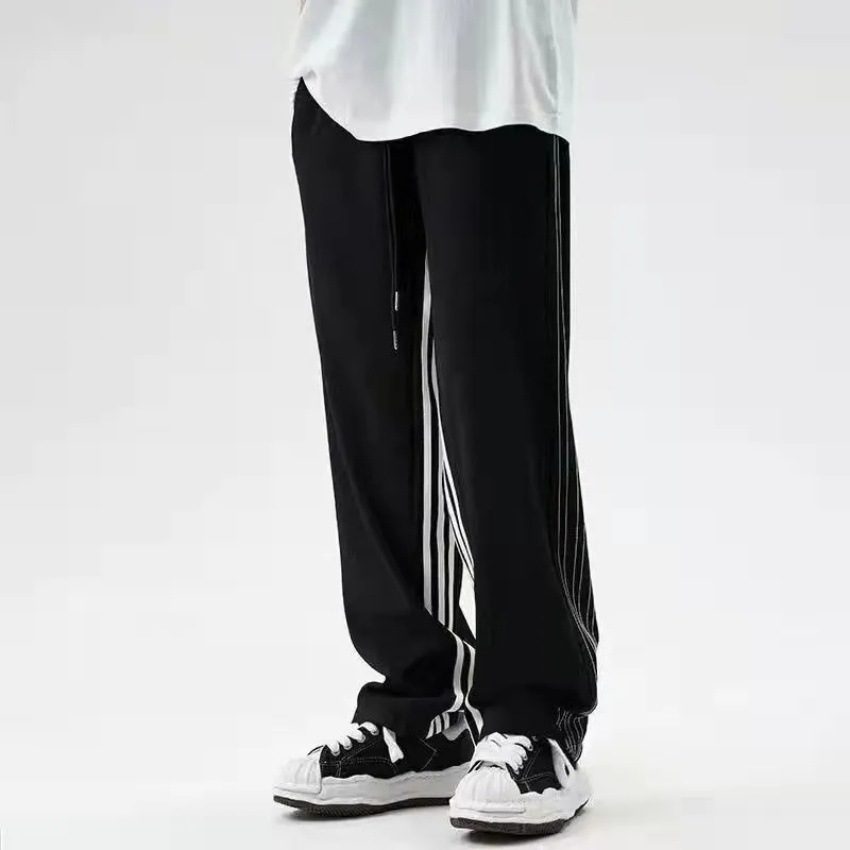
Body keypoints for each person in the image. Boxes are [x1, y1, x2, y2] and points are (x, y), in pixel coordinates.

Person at [273, 0, 598, 836]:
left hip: (492, 63)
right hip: (344, 56)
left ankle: (538, 711)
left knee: (499, 399)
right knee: (372, 398)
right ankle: (423, 711)